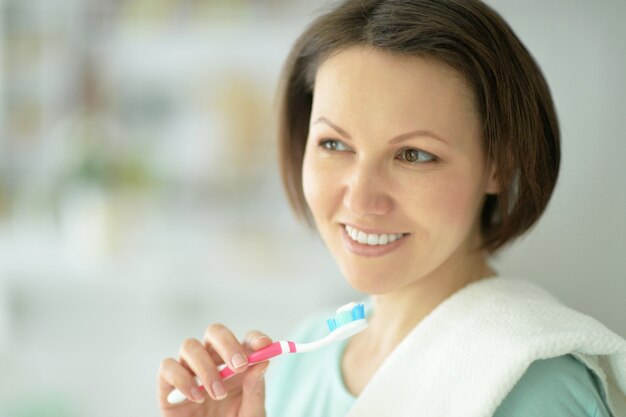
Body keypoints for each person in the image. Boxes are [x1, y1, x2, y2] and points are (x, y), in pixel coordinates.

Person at [157, 1, 626, 416]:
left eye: (415, 154)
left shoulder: (535, 391)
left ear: (498, 165)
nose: (361, 198)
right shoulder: (294, 363)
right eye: (334, 143)